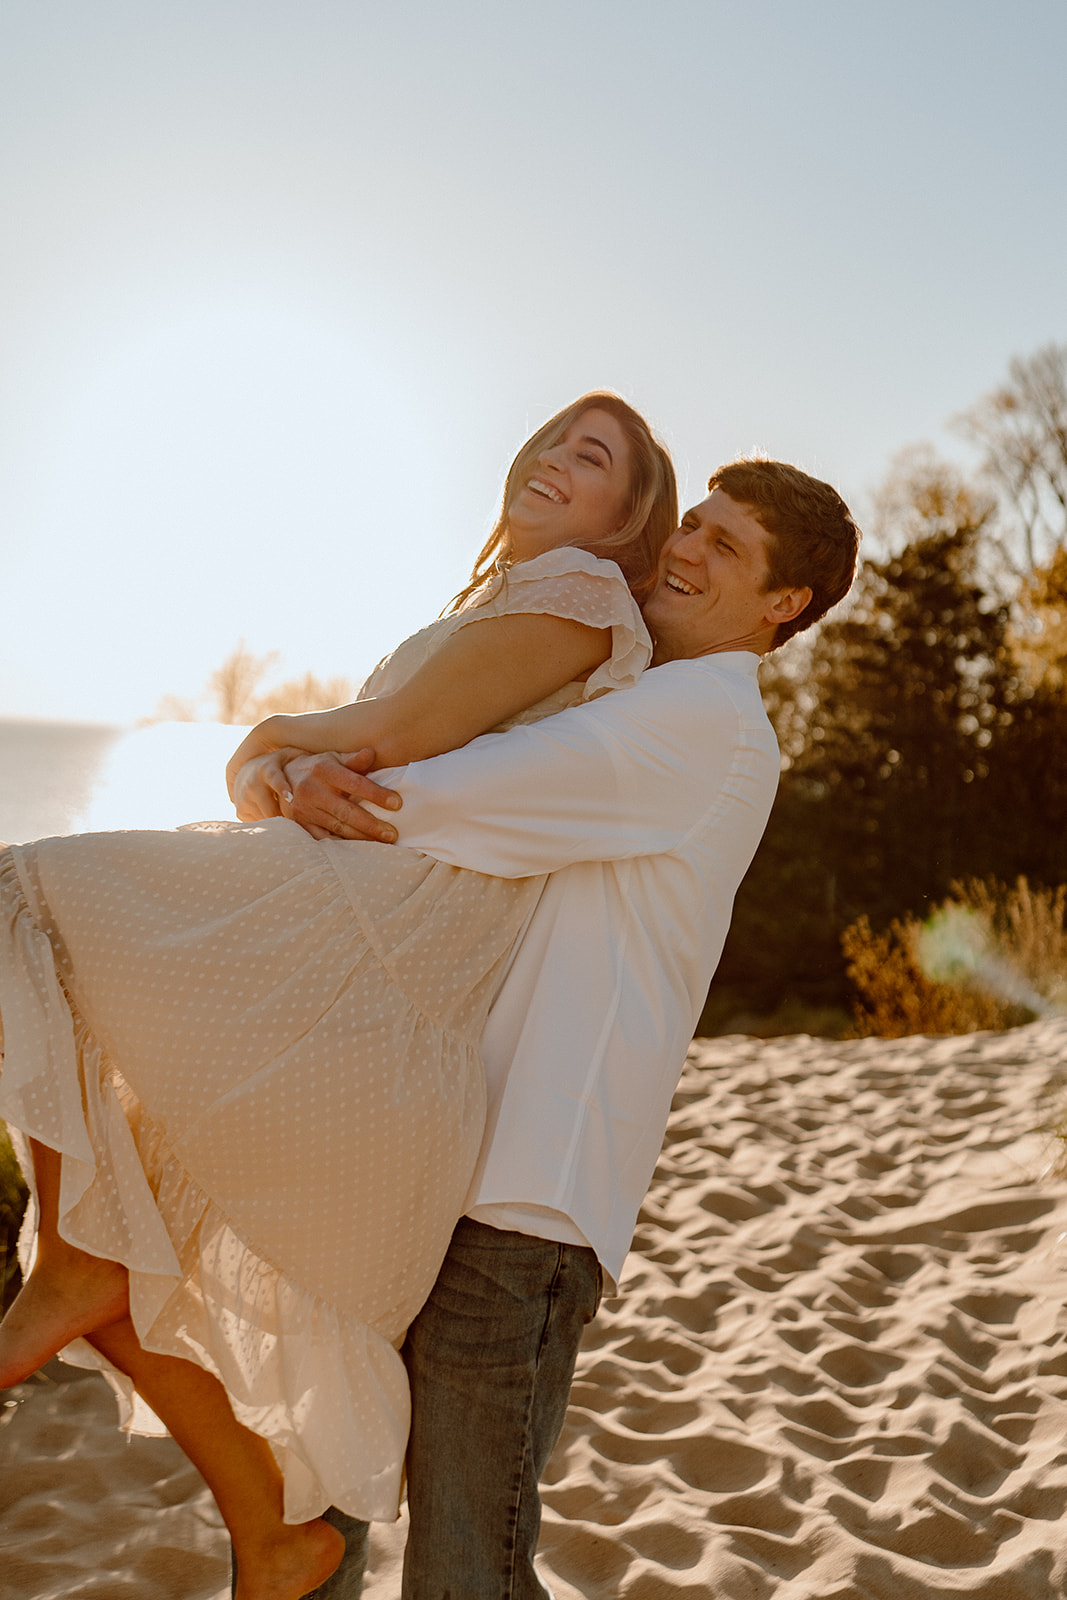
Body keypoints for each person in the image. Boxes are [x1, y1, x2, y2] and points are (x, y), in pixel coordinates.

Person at [0, 392, 678, 1600]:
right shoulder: (497, 606)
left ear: (627, 524)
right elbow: (312, 770)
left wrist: (273, 740)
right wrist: (281, 769)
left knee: (29, 896)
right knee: (131, 1240)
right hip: (340, 933)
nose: (554, 457)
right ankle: (270, 1532)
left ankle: (70, 1263)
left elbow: (390, 735)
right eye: (554, 435)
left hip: (374, 946)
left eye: (595, 458)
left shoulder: (583, 596)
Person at [240, 458, 862, 1599]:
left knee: (466, 1562)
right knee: (331, 1505)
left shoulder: (701, 722)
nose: (684, 549)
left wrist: (299, 766)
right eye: (695, 526)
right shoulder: (631, 693)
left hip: (522, 1202)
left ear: (784, 606)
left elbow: (459, 794)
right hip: (441, 1161)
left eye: (726, 547)